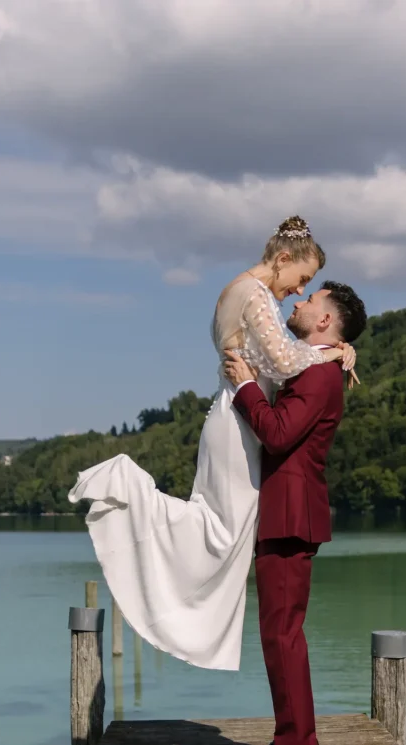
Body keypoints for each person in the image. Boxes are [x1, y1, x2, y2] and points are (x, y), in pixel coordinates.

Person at [68, 217, 356, 671]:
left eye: (308, 287)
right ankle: (126, 491)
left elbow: (280, 361)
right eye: (301, 279)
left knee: (223, 530)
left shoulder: (242, 292)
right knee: (219, 531)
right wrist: (333, 350)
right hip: (240, 420)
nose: (297, 292)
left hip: (237, 416)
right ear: (282, 260)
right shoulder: (252, 294)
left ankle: (185, 605)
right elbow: (282, 361)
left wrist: (331, 349)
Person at [222, 281, 367, 745]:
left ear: (327, 321)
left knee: (283, 634)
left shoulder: (322, 376)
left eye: (310, 301)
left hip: (291, 515)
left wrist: (243, 387)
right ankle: (289, 737)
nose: (299, 303)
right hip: (284, 513)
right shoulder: (315, 365)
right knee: (277, 634)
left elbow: (280, 432)